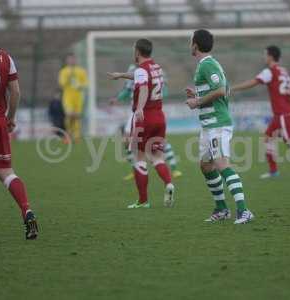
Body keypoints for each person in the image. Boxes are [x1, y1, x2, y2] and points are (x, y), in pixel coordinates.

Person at [185, 29, 254, 224]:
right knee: (206, 166)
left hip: (217, 124)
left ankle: (244, 210)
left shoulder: (207, 65)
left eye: (191, 42)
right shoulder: (206, 65)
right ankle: (222, 209)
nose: (190, 44)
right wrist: (197, 96)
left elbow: (221, 90)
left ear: (195, 45)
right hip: (208, 125)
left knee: (222, 164)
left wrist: (197, 102)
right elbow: (220, 90)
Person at [0, 17, 38, 239]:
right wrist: (10, 118)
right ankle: (27, 211)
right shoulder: (5, 57)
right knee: (6, 173)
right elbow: (16, 92)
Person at [231, 45, 290, 178]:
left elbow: (254, 82)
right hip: (284, 113)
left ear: (270, 56)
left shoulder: (269, 71)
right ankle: (274, 171)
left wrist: (233, 88)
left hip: (282, 113)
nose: (264, 57)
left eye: (265, 55)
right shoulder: (284, 71)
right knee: (268, 138)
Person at [108, 39, 175, 208]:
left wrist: (139, 108)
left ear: (137, 52)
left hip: (145, 118)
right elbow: (141, 77)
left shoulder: (141, 70)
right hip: (160, 117)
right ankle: (168, 183)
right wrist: (122, 75)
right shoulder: (156, 68)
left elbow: (144, 87)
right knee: (157, 156)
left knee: (139, 158)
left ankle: (143, 201)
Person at [110, 64, 183, 180]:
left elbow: (163, 89)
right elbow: (128, 89)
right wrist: (118, 98)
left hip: (146, 111)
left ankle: (173, 168)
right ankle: (138, 169)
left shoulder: (151, 69)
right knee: (129, 140)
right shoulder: (140, 69)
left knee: (154, 143)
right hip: (139, 112)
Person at [58, 53, 88, 142]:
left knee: (76, 116)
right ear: (67, 61)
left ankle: (76, 136)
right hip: (67, 97)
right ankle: (68, 133)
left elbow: (86, 83)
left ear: (76, 60)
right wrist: (68, 76)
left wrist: (80, 86)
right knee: (69, 114)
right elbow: (61, 84)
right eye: (70, 59)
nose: (71, 61)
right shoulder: (64, 71)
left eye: (73, 59)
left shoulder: (81, 71)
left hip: (78, 97)